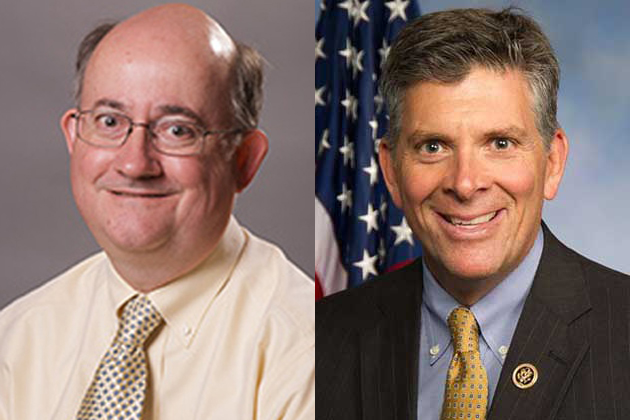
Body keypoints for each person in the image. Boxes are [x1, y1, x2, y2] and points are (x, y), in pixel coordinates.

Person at [0, 4, 313, 420]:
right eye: (110, 121)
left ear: (244, 160)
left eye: (177, 130)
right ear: (74, 138)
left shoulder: (308, 351)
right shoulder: (17, 338)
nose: (134, 164)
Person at [316, 7, 630, 420]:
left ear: (552, 163)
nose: (465, 184)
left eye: (500, 143)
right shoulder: (318, 340)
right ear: (391, 171)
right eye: (433, 146)